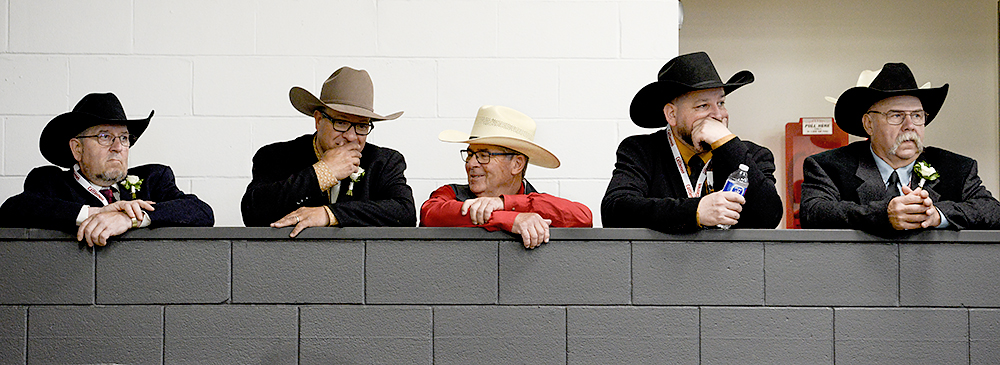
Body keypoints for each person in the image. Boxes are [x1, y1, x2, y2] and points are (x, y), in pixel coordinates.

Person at [801, 62, 1000, 231]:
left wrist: (937, 215)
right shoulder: (829, 166)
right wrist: (884, 213)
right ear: (869, 124)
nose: (910, 126)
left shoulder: (956, 168)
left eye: (917, 115)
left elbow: (993, 211)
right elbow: (813, 212)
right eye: (896, 115)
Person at [0, 93, 214, 246]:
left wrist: (128, 219)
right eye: (104, 136)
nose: (118, 147)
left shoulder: (153, 179)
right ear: (77, 148)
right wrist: (96, 214)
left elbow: (201, 212)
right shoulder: (50, 182)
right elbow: (11, 211)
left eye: (123, 137)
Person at [602, 51, 783, 231]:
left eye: (721, 103)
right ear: (672, 114)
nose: (719, 115)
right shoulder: (642, 151)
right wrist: (696, 211)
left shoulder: (753, 155)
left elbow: (770, 216)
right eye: (703, 106)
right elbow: (615, 211)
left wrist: (727, 144)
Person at [241, 66, 416, 236]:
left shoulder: (384, 162)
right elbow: (253, 211)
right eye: (341, 122)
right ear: (318, 120)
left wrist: (329, 214)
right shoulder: (276, 156)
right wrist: (322, 173)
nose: (351, 136)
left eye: (362, 125)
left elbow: (405, 213)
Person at [420, 105, 592, 249]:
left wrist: (505, 203)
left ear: (517, 164)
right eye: (470, 154)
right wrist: (510, 218)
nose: (471, 164)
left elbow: (583, 217)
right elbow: (430, 213)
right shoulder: (450, 193)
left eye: (483, 155)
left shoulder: (538, 203)